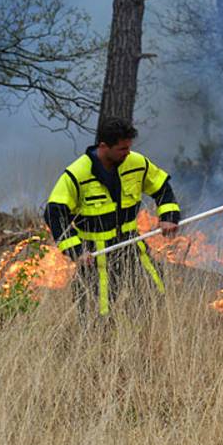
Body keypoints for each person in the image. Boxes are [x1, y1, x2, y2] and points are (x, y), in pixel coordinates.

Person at [44, 118, 181, 317]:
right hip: (93, 254)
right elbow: (54, 214)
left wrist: (168, 216)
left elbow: (162, 188)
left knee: (154, 292)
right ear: (103, 146)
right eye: (122, 149)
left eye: (129, 148)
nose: (127, 153)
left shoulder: (137, 163)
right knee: (97, 311)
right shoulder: (77, 174)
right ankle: (101, 344)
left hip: (131, 244)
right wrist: (76, 251)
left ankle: (135, 334)